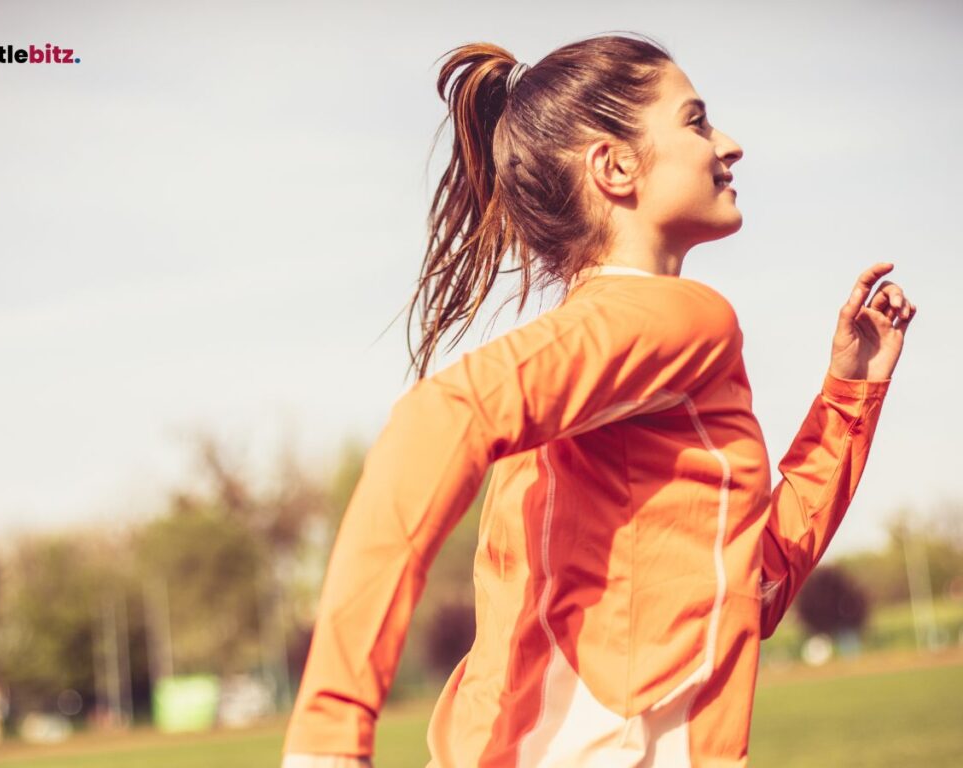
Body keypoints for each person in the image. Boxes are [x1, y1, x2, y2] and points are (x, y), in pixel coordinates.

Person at [280, 33, 916, 767]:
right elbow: (437, 416)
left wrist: (849, 398)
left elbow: (753, 589)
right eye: (696, 120)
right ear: (615, 167)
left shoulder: (601, 384)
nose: (729, 144)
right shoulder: (683, 318)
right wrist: (330, 730)